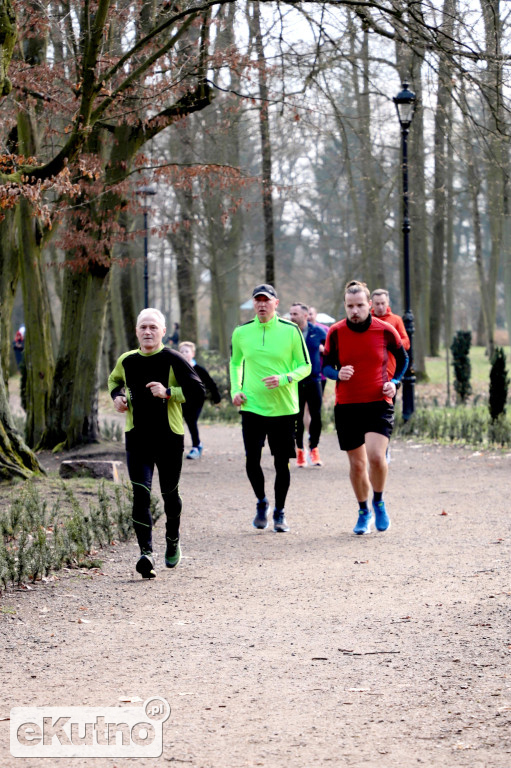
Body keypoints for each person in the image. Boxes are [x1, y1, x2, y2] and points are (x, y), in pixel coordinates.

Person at [109, 308, 205, 578]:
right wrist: (117, 396)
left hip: (169, 438)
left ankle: (172, 540)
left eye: (153, 327)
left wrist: (168, 393)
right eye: (143, 327)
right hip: (137, 437)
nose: (148, 332)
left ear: (163, 331)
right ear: (136, 331)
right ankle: (146, 554)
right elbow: (114, 380)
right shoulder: (127, 360)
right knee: (140, 494)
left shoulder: (173, 359)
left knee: (169, 495)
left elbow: (198, 391)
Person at [322, 281, 408, 535]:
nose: (355, 311)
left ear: (369, 305)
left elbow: (403, 359)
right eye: (350, 306)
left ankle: (378, 502)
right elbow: (325, 366)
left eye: (360, 305)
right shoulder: (336, 332)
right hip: (347, 405)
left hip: (378, 402)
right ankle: (363, 511)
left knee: (375, 457)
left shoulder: (385, 330)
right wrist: (338, 374)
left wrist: (395, 382)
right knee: (357, 465)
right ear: (345, 307)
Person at [230, 284, 311, 533]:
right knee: (251, 461)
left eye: (267, 300)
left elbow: (305, 366)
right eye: (258, 300)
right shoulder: (241, 332)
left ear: (276, 303)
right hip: (252, 406)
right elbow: (235, 363)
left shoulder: (291, 330)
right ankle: (262, 502)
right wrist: (235, 390)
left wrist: (285, 378)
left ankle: (279, 511)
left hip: (283, 409)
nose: (262, 304)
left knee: (281, 464)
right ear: (253, 304)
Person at [289, 303, 326, 467]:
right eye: (291, 314)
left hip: (314, 379)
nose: (292, 317)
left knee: (316, 416)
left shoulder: (318, 332)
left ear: (305, 315)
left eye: (295, 314)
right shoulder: (288, 333)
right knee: (296, 417)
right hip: (295, 381)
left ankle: (314, 448)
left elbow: (330, 351)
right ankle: (299, 451)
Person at [178, 340, 222, 459]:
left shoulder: (199, 369)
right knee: (175, 423)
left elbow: (211, 384)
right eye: (181, 352)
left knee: (191, 421)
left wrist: (216, 398)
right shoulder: (177, 369)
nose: (184, 354)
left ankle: (196, 446)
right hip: (180, 400)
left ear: (193, 353)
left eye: (186, 351)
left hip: (196, 401)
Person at [370, 289, 411, 380]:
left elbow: (406, 343)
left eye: (383, 303)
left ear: (388, 303)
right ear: (371, 304)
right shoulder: (367, 320)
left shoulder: (396, 320)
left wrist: (390, 344)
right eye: (377, 304)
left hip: (390, 371)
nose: (380, 307)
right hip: (371, 371)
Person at [308, 307, 329, 393]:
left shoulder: (324, 330)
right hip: (303, 374)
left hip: (320, 374)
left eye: (311, 314)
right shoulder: (300, 330)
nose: (308, 317)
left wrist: (323, 349)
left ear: (316, 315)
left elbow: (332, 350)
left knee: (316, 402)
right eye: (307, 314)